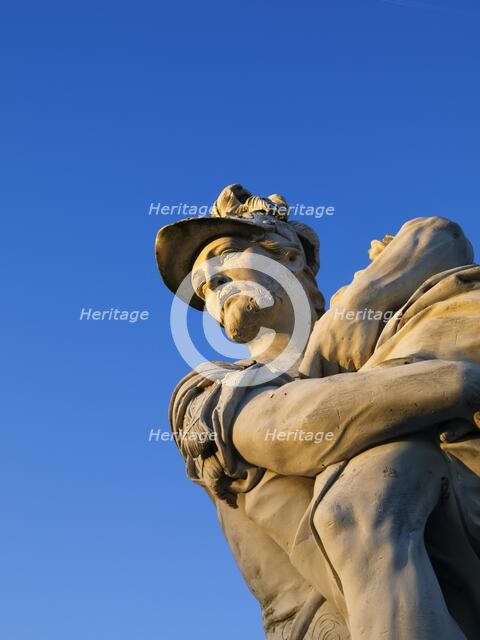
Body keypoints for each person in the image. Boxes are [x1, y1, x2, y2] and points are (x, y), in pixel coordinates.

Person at [156, 184, 480, 639]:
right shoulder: (205, 392)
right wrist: (457, 382)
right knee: (379, 474)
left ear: (288, 259)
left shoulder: (377, 330)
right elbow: (292, 430)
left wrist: (361, 301)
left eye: (226, 256)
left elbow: (439, 238)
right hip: (336, 626)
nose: (212, 285)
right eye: (202, 284)